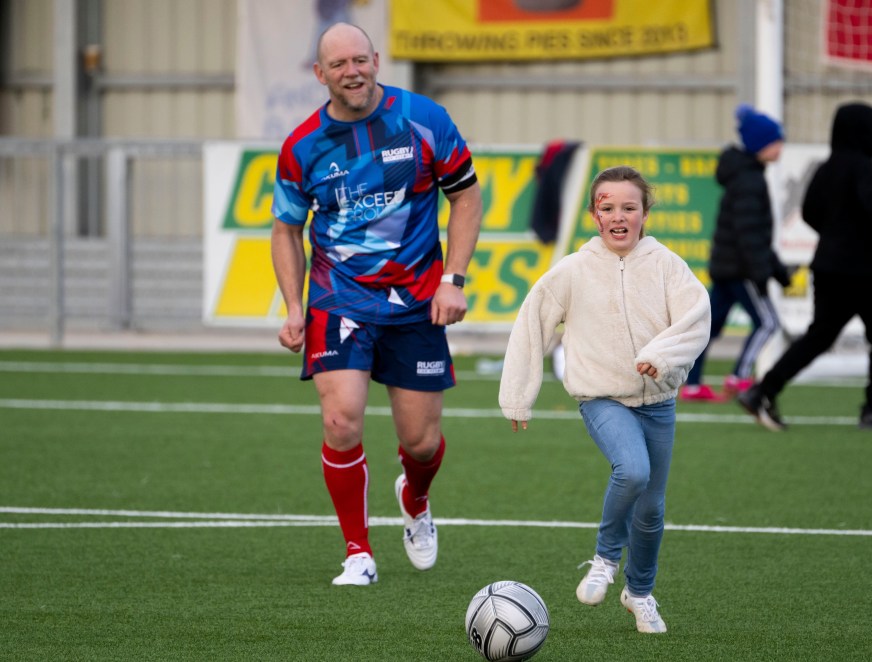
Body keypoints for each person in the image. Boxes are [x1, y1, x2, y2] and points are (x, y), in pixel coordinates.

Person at [271, 22, 483, 585]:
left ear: (377, 60)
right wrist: (294, 306)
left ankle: (415, 499)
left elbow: (464, 195)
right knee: (341, 419)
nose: (352, 71)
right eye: (338, 64)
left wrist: (454, 280)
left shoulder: (424, 119)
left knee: (422, 440)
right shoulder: (301, 148)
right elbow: (285, 230)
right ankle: (358, 552)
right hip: (339, 299)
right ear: (320, 75)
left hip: (417, 301)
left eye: (360, 59)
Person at [498, 166, 710, 633]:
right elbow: (531, 323)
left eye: (629, 207)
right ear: (594, 215)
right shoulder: (573, 270)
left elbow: (696, 318)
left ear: (644, 213)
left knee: (652, 509)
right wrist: (517, 396)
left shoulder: (667, 265)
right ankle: (604, 558)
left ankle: (639, 593)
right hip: (601, 399)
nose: (619, 216)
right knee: (632, 471)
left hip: (659, 403)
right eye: (608, 207)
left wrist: (661, 357)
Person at [737, 101, 872, 432]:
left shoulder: (827, 167)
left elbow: (811, 210)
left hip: (828, 267)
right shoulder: (864, 167)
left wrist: (836, 232)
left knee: (819, 336)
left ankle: (762, 391)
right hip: (864, 273)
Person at [681, 104, 791, 402]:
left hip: (726, 267)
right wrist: (762, 273)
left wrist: (777, 270)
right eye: (776, 141)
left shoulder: (742, 175)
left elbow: (752, 233)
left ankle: (691, 385)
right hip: (741, 270)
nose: (781, 146)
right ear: (760, 145)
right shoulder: (750, 180)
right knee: (768, 323)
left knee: (708, 328)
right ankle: (739, 377)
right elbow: (750, 235)